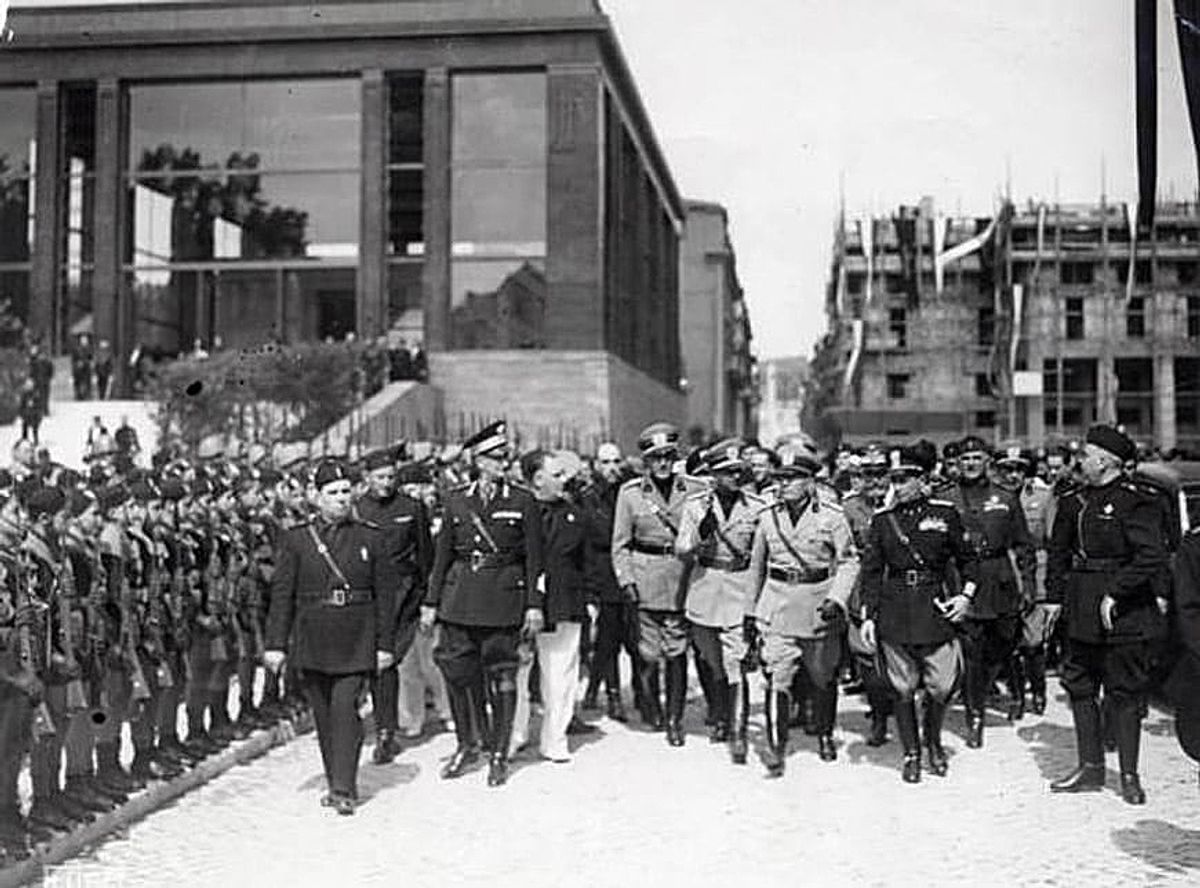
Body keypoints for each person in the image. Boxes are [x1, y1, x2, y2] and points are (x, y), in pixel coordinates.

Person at [264, 459, 400, 815]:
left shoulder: (371, 537)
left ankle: (345, 786)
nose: (341, 499)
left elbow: (387, 597)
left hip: (357, 637)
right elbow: (282, 595)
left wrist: (385, 645)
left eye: (345, 491)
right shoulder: (297, 540)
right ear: (316, 497)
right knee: (323, 715)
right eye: (332, 493)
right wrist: (276, 644)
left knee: (345, 710)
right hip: (313, 636)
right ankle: (334, 776)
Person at [1046, 424, 1169, 805]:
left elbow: (1152, 555)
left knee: (1125, 691)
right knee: (1080, 684)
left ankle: (1129, 776)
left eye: (1084, 455)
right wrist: (1053, 600)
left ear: (1105, 461)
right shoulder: (1072, 501)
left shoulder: (1139, 501)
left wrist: (1117, 591)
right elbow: (1058, 554)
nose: (1078, 461)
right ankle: (1090, 768)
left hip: (1126, 610)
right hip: (1082, 604)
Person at [421, 421, 544, 787]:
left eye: (505, 456)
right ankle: (466, 743)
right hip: (460, 600)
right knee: (458, 675)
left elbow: (535, 560)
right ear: (476, 460)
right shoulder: (457, 499)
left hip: (504, 599)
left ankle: (497, 753)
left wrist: (533, 605)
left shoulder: (523, 500)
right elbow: (442, 557)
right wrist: (431, 602)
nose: (502, 463)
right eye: (494, 457)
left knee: (504, 676)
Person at [859, 441, 977, 784]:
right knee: (902, 688)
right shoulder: (883, 521)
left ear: (923, 479)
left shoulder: (945, 514)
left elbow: (969, 561)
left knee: (941, 685)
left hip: (934, 605)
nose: (898, 485)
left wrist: (965, 597)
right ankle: (912, 753)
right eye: (894, 478)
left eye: (906, 477)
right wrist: (868, 615)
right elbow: (871, 570)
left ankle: (934, 741)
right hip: (895, 608)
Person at [747, 441, 859, 776]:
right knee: (776, 676)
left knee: (823, 675)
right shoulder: (767, 517)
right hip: (778, 602)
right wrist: (752, 612)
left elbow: (849, 561)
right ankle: (775, 745)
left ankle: (825, 734)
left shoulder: (832, 516)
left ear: (811, 481)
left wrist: (837, 600)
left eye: (794, 478)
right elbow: (757, 566)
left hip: (817, 604)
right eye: (781, 478)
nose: (785, 484)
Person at [676, 438, 767, 763]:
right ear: (712, 474)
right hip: (705, 586)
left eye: (737, 471)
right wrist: (702, 532)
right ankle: (720, 713)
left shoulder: (756, 506)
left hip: (739, 588)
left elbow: (762, 554)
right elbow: (682, 550)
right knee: (711, 659)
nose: (734, 477)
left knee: (735, 663)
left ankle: (738, 733)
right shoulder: (696, 505)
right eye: (726, 472)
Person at [611, 422, 697, 746]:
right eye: (655, 458)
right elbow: (620, 543)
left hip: (679, 577)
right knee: (647, 653)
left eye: (667, 456)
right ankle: (651, 706)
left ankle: (674, 718)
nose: (662, 463)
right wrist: (626, 580)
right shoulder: (631, 493)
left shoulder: (693, 489)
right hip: (644, 576)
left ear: (675, 457)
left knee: (676, 651)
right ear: (646, 461)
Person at [945, 436, 1033, 746]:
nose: (970, 464)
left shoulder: (1006, 498)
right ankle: (975, 715)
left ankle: (995, 687)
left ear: (987, 462)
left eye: (977, 458)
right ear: (958, 463)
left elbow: (1023, 545)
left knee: (1004, 642)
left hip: (999, 580)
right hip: (963, 580)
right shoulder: (946, 498)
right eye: (965, 459)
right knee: (972, 652)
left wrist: (1029, 586)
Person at [511, 449, 596, 763]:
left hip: (565, 601)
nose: (565, 480)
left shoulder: (574, 513)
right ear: (537, 479)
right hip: (523, 603)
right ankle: (515, 735)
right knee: (517, 673)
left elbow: (586, 562)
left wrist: (591, 599)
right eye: (557, 474)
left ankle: (554, 739)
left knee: (560, 673)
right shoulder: (516, 511)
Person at [354, 446, 431, 764]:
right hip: (366, 595)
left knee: (389, 661)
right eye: (380, 477)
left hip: (403, 595)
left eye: (391, 477)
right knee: (371, 663)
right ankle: (377, 724)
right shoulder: (357, 509)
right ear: (367, 478)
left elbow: (427, 555)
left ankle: (387, 733)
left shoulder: (412, 507)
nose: (386, 483)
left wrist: (429, 600)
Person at [580, 441, 640, 722]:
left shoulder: (630, 493)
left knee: (633, 635)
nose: (612, 468)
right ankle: (612, 693)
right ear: (595, 465)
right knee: (607, 638)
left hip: (627, 569)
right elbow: (597, 534)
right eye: (605, 463)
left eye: (616, 462)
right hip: (600, 573)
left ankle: (640, 691)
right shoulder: (588, 496)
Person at [18, 380, 42, 445]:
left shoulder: (36, 394)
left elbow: (39, 406)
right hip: (26, 416)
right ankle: (24, 441)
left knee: (35, 430)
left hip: (34, 416)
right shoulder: (24, 395)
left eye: (30, 386)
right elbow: (21, 406)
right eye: (27, 386)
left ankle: (36, 441)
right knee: (24, 428)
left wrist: (38, 415)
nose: (28, 388)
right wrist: (22, 414)